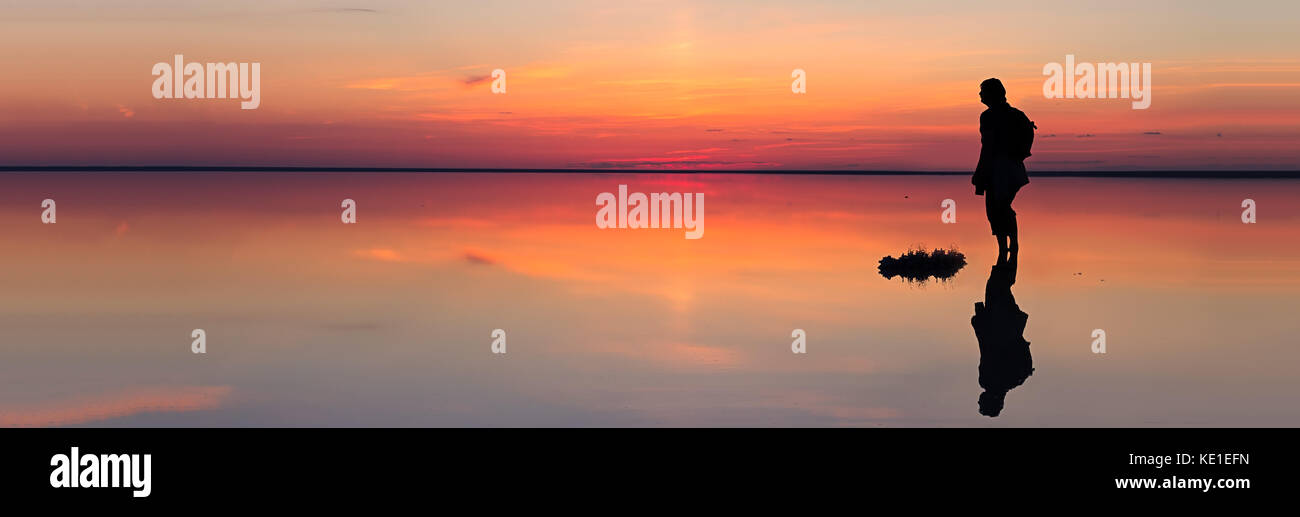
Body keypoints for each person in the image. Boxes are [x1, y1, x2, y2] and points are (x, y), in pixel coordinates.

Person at [972, 78, 1032, 255]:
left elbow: (988, 147)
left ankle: (1007, 248)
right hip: (1012, 169)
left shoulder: (989, 116)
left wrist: (979, 173)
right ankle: (1009, 248)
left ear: (993, 93)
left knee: (997, 208)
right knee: (1000, 207)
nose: (980, 94)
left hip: (1000, 169)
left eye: (983, 91)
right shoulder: (1017, 114)